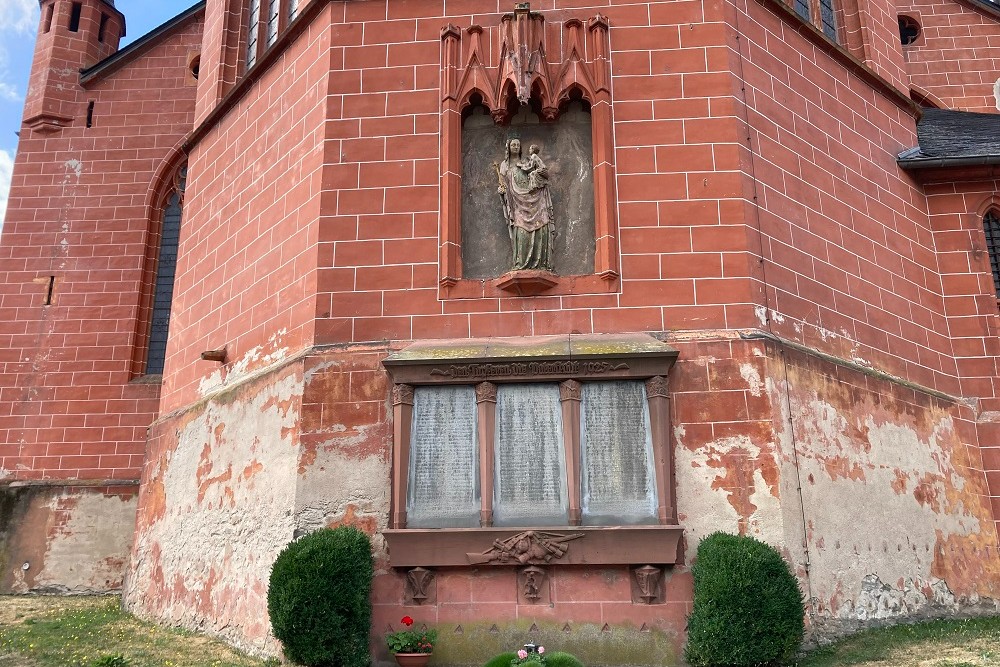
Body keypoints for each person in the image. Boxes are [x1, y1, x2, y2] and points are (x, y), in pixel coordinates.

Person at [497, 138, 555, 271]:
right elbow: (503, 184)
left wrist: (536, 176)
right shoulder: (504, 166)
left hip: (534, 197)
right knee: (521, 231)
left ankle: (541, 263)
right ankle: (521, 263)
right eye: (513, 144)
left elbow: (542, 173)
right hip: (516, 202)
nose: (516, 146)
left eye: (518, 144)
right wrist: (501, 191)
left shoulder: (527, 161)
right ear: (508, 147)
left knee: (541, 226)